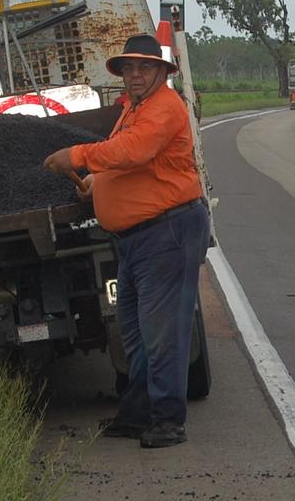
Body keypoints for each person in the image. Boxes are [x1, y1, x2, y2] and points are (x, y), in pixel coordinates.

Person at [43, 34, 207, 449]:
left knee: (162, 331)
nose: (135, 75)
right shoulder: (133, 109)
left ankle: (169, 421)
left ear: (161, 72)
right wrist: (96, 183)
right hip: (136, 238)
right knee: (133, 331)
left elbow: (134, 151)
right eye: (129, 69)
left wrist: (78, 157)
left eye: (145, 68)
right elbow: (123, 156)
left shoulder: (165, 109)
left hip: (166, 232)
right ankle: (137, 414)